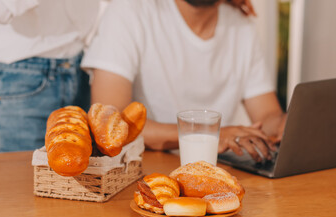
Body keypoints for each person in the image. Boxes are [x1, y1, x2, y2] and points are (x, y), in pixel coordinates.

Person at [83, 0, 286, 162]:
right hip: (146, 174)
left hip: (217, 173)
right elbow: (110, 122)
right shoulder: (128, 12)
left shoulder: (241, 26)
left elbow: (267, 115)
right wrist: (210, 135)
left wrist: (282, 126)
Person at [0, 0, 104, 153]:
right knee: (11, 174)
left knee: (78, 171)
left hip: (79, 66)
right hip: (21, 75)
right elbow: (1, 9)